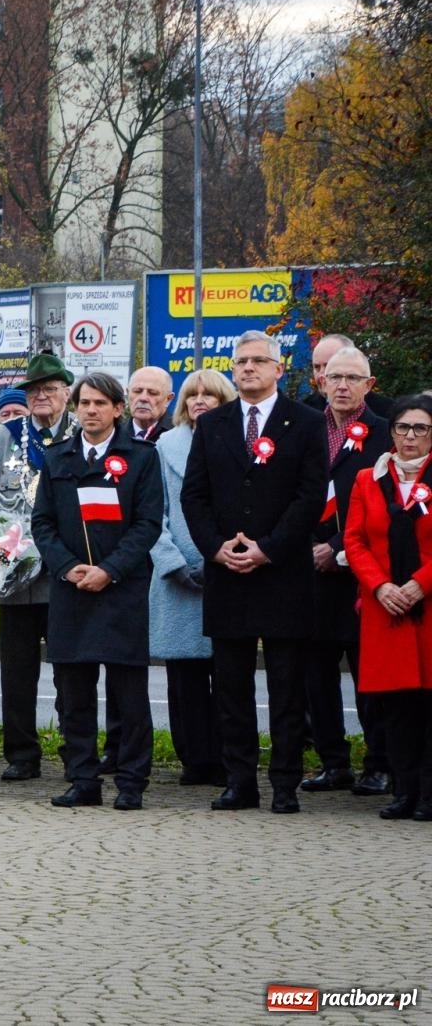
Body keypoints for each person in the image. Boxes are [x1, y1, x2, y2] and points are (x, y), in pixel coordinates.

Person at [181, 330, 328, 814]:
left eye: (257, 362)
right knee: (231, 686)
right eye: (240, 362)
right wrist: (216, 548)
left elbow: (310, 497)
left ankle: (284, 782)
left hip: (282, 574)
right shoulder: (215, 424)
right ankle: (239, 781)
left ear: (278, 369)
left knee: (286, 687)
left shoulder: (306, 423)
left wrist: (268, 548)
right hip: (227, 573)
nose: (247, 369)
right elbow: (194, 496)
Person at [30, 372, 164, 809]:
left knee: (128, 694)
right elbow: (43, 524)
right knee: (74, 693)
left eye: (100, 404)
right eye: (84, 403)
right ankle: (83, 778)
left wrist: (109, 570)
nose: (90, 410)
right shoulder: (57, 458)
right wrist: (68, 568)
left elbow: (147, 524)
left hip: (120, 590)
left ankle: (130, 782)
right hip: (71, 590)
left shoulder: (141, 458)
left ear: (118, 410)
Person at [0, 351, 77, 781]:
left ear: (67, 393)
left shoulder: (80, 433)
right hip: (15, 579)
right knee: (17, 672)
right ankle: (21, 753)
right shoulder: (2, 437)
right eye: (34, 390)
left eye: (50, 389)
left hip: (66, 575)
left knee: (71, 669)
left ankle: (78, 748)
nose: (41, 397)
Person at [302, 346, 392, 795]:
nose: (341, 386)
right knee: (316, 675)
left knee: (367, 674)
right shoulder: (301, 427)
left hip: (361, 574)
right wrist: (311, 545)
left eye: (352, 378)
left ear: (369, 386)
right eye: (333, 377)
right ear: (320, 381)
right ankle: (332, 761)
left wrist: (337, 547)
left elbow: (385, 505)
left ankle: (379, 762)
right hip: (309, 570)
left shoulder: (384, 434)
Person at [342, 395, 432, 819]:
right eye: (403, 428)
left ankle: (429, 796)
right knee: (396, 707)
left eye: (420, 428)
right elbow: (355, 541)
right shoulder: (367, 478)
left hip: (426, 607)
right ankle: (403, 790)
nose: (410, 436)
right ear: (391, 431)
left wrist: (418, 585)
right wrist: (379, 586)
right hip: (386, 610)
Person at [148, 368, 236, 787]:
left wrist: (221, 556)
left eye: (210, 395)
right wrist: (174, 562)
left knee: (229, 675)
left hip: (228, 571)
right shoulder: (165, 445)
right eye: (192, 395)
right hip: (178, 577)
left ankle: (227, 758)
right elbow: (153, 514)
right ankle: (194, 759)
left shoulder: (241, 444)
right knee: (184, 678)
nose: (200, 401)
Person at [302, 333, 394, 418]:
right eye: (317, 367)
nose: (321, 374)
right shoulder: (302, 413)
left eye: (329, 365)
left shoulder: (389, 413)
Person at [127, 367, 174, 443]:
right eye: (137, 391)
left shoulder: (180, 434)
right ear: (128, 393)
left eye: (153, 393)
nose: (143, 398)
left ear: (168, 399)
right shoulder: (113, 434)